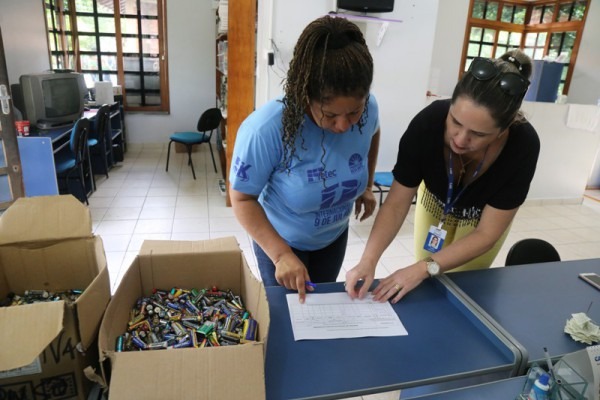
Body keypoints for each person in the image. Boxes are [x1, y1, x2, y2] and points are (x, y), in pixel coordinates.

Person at [346, 49, 539, 303]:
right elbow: (395, 204)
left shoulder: (522, 146)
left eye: (478, 134)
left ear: (504, 129)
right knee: (425, 278)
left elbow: (486, 234)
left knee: (462, 289)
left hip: (482, 219)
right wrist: (368, 260)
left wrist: (422, 268)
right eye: (455, 122)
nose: (460, 139)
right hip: (436, 202)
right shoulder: (428, 124)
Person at [229, 15, 381, 303]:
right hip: (281, 240)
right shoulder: (265, 130)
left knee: (318, 309)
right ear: (304, 95)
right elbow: (242, 199)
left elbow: (372, 134)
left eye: (353, 112)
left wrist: (367, 185)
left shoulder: (370, 109)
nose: (344, 126)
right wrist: (281, 254)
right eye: (330, 115)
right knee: (286, 318)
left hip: (333, 237)